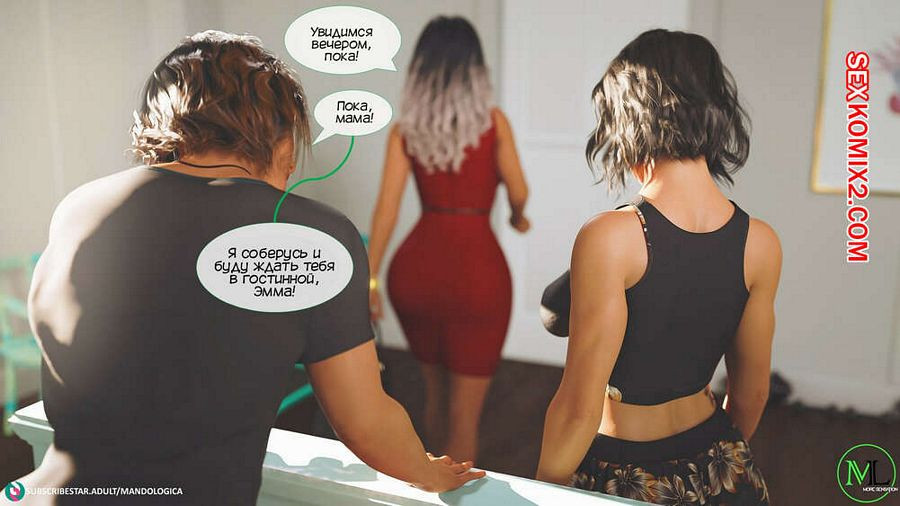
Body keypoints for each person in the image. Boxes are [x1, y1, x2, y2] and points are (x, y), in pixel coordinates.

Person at [17, 30, 483, 505]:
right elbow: (366, 423)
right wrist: (429, 472)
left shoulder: (79, 206)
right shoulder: (311, 233)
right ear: (280, 138)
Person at [536, 29, 780, 505]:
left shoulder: (612, 237)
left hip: (626, 473)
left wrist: (538, 493)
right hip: (722, 463)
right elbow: (752, 394)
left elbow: (577, 408)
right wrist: (720, 460)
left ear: (626, 118)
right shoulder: (761, 242)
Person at [367, 17, 530, 464]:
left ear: (421, 70)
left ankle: (425, 486)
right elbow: (519, 191)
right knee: (464, 420)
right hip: (478, 277)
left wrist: (371, 280)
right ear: (476, 70)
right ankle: (451, 492)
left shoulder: (405, 131)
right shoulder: (494, 124)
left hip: (415, 275)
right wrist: (517, 217)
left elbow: (386, 210)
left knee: (434, 398)